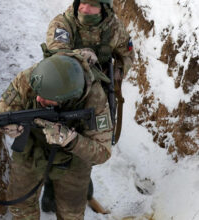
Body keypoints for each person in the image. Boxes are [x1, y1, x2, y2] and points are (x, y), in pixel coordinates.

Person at [0, 52, 113, 220]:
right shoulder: (34, 77)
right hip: (32, 146)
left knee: (71, 214)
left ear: (67, 99)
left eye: (47, 99)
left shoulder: (95, 99)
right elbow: (3, 109)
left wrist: (71, 141)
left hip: (74, 157)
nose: (38, 98)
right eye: (38, 93)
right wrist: (8, 125)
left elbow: (103, 152)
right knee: (20, 206)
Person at [42, 0, 135, 211]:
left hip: (97, 95)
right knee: (55, 142)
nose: (85, 9)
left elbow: (127, 53)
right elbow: (57, 51)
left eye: (92, 6)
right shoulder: (63, 23)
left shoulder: (114, 28)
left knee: (90, 144)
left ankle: (84, 190)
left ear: (104, 8)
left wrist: (119, 72)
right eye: (82, 3)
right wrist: (80, 56)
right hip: (64, 90)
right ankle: (50, 192)